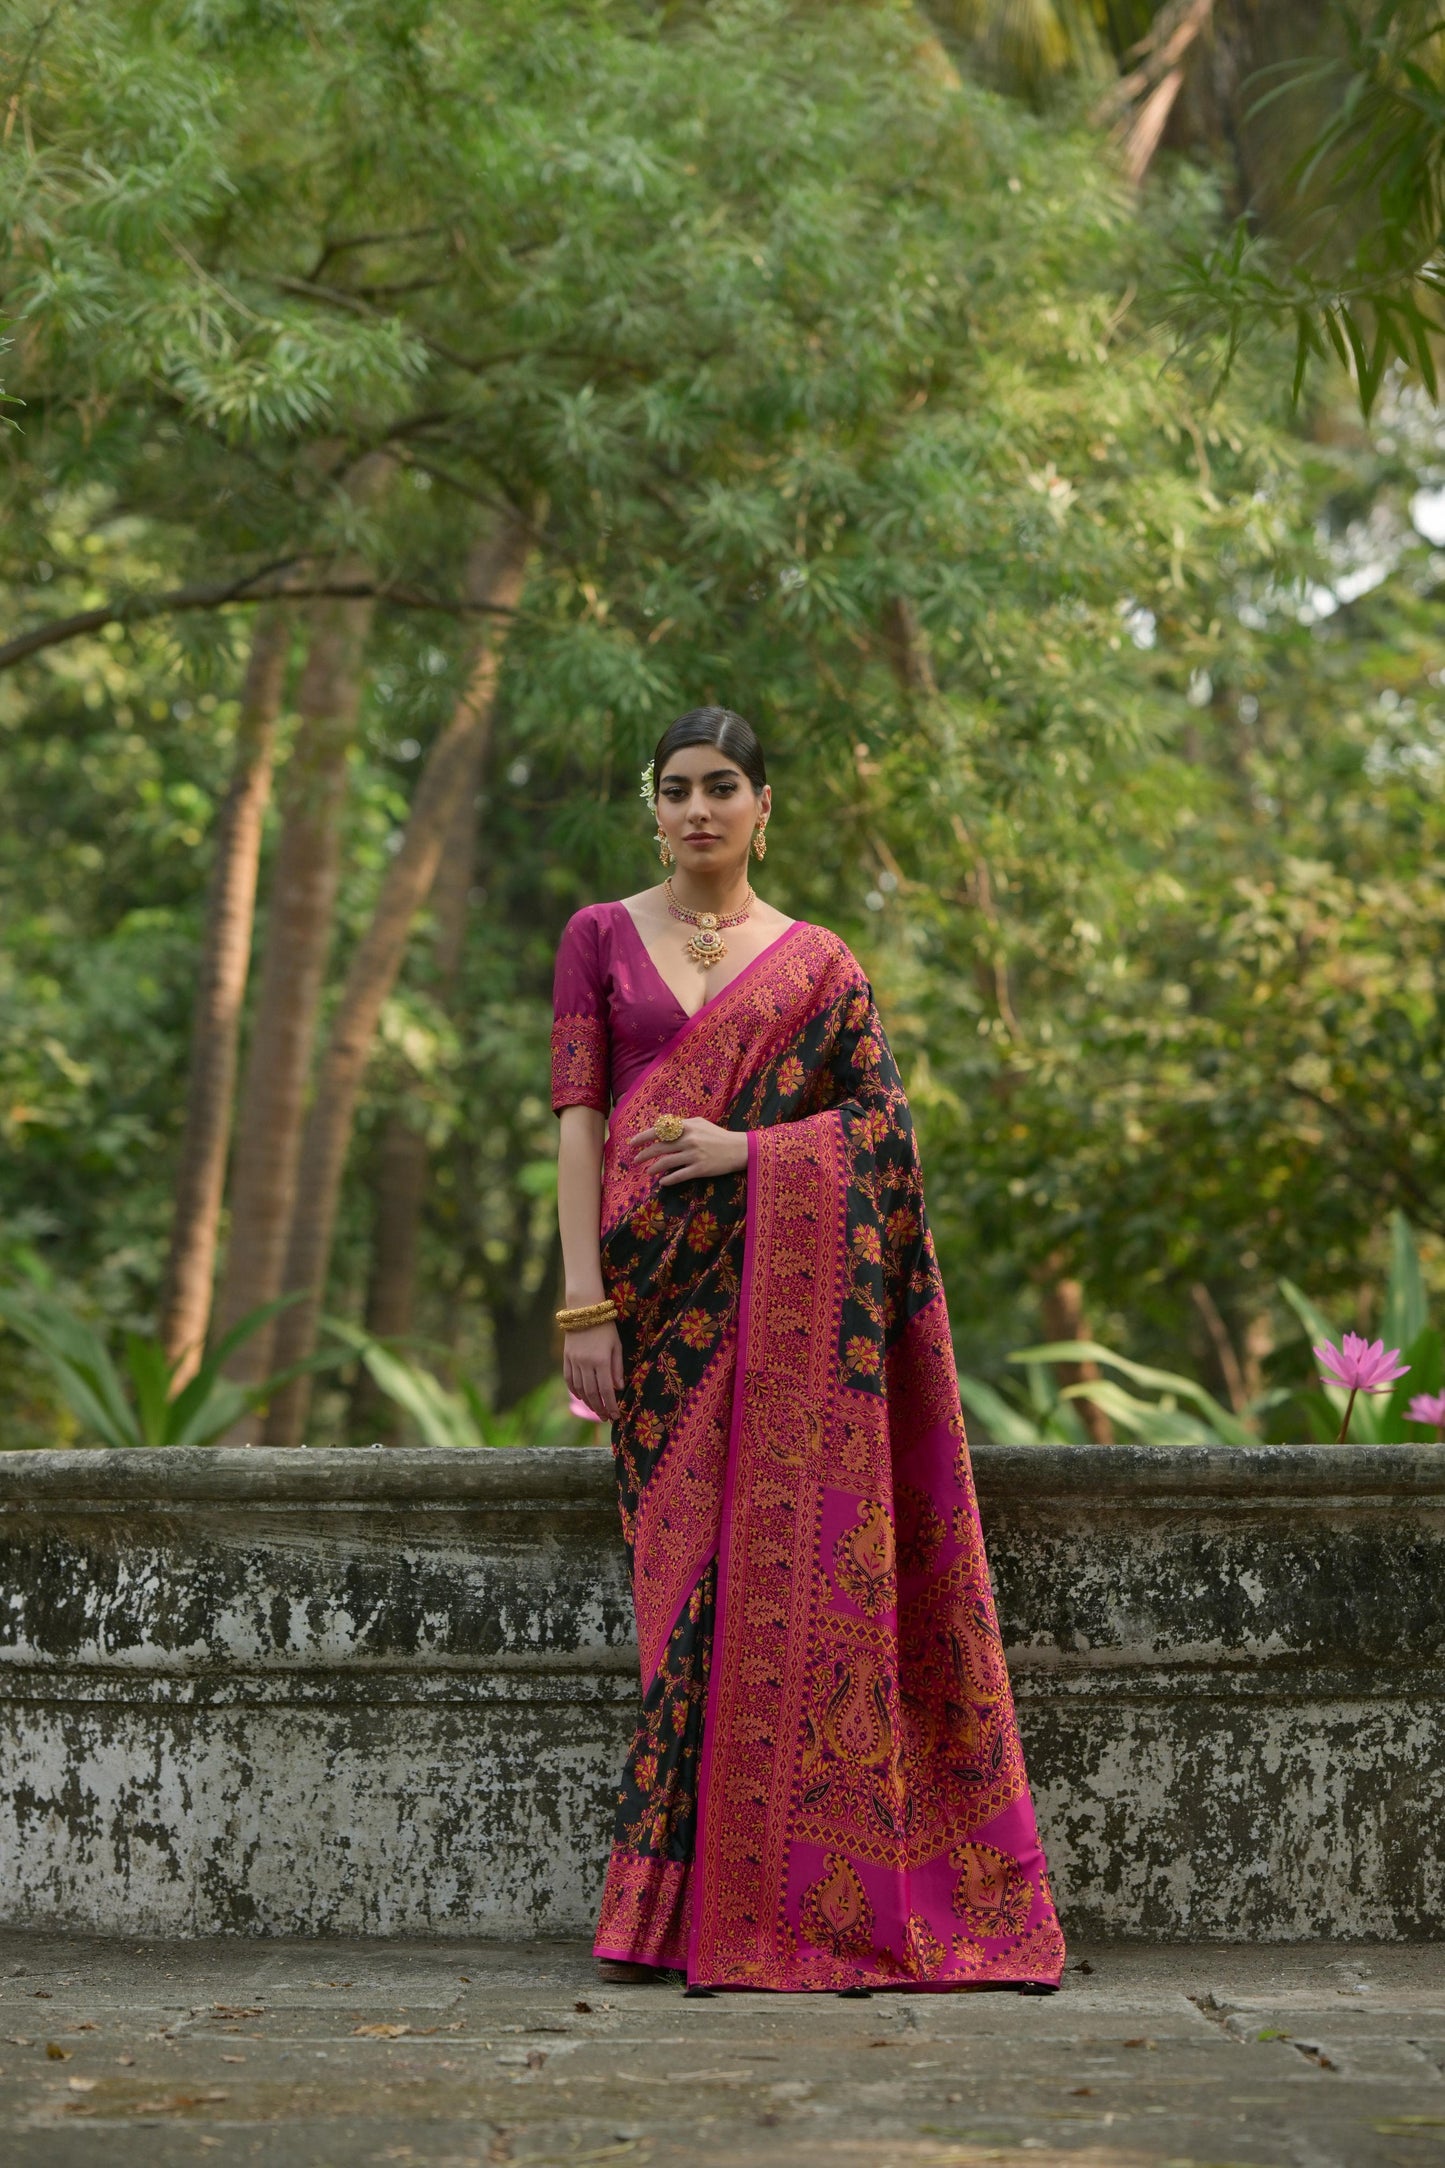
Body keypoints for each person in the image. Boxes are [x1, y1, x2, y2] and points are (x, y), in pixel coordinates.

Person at [551, 705, 1064, 1995]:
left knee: (765, 1587)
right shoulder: (599, 938)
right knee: (684, 1605)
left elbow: (885, 1143)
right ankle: (671, 1910)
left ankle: (752, 1913)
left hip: (784, 1330)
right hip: (656, 1313)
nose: (699, 810)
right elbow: (575, 1126)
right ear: (651, 807)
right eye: (677, 789)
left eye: (724, 786)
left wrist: (752, 1154)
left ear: (765, 807)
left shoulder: (822, 967)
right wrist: (582, 1308)